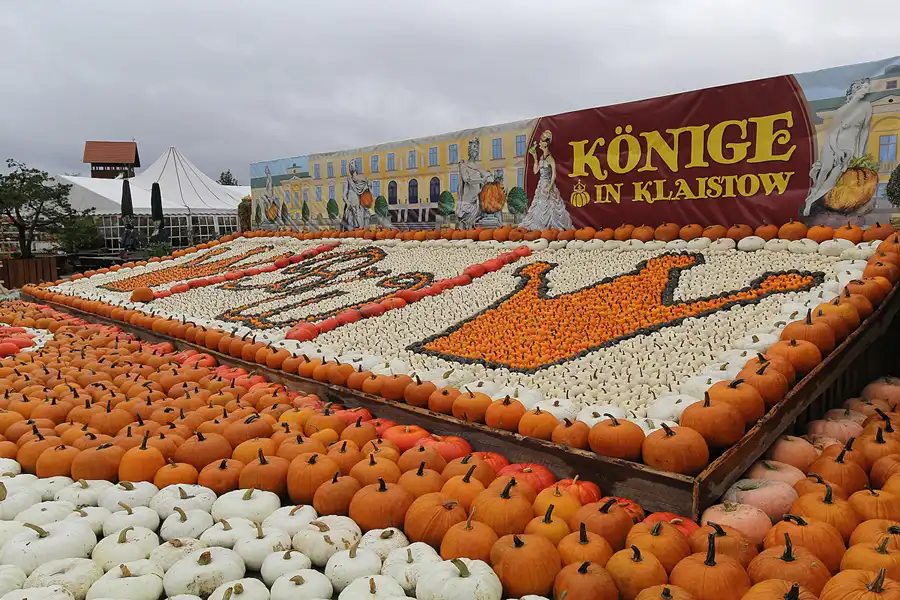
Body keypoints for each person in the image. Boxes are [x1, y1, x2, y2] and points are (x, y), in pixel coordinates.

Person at [802, 78, 873, 216]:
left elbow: (864, 131)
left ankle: (812, 201)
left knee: (833, 179)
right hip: (833, 145)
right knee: (824, 172)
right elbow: (832, 133)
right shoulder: (842, 110)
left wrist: (859, 153)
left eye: (867, 88)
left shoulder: (866, 107)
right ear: (855, 89)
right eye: (864, 87)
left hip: (849, 147)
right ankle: (810, 200)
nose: (867, 90)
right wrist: (836, 150)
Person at [520, 129, 573, 230]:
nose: (539, 143)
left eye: (541, 142)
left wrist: (550, 187)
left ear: (546, 144)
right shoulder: (541, 158)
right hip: (541, 186)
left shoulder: (550, 159)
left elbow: (554, 175)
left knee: (551, 206)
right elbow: (535, 171)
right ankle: (540, 226)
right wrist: (535, 157)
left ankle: (550, 228)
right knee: (538, 206)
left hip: (548, 185)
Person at [456, 138, 499, 229]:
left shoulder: (478, 167)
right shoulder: (463, 164)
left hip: (477, 200)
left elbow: (489, 178)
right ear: (469, 149)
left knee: (475, 228)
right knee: (465, 227)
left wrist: (490, 177)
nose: (475, 149)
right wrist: (482, 180)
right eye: (474, 147)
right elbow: (466, 179)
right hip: (467, 201)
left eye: (477, 148)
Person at [341, 160, 370, 230]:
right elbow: (344, 194)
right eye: (349, 165)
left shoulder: (362, 180)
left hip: (358, 205)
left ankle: (360, 229)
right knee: (350, 220)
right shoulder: (347, 180)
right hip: (350, 204)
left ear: (356, 166)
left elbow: (367, 192)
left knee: (359, 217)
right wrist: (347, 202)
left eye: (352, 164)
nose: (350, 166)